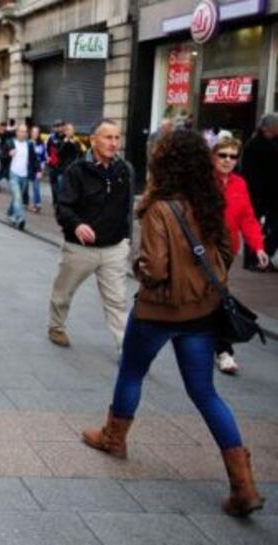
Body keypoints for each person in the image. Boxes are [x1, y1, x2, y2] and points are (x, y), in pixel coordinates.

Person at [82, 128, 265, 519]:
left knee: (131, 372)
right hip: (201, 312)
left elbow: (156, 268)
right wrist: (201, 283)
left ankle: (114, 438)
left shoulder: (158, 207)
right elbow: (228, 249)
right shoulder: (212, 199)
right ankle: (243, 484)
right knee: (204, 392)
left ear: (164, 162)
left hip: (158, 311)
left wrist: (140, 268)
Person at [49, 119, 134, 353]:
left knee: (117, 301)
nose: (114, 143)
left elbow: (127, 209)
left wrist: (127, 240)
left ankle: (125, 349)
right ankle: (56, 325)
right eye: (108, 137)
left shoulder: (124, 170)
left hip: (114, 248)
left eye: (117, 138)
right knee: (63, 293)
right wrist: (76, 225)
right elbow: (63, 207)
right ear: (93, 140)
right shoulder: (76, 170)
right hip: (80, 249)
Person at [212, 137, 269, 374]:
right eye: (222, 155)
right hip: (201, 249)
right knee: (216, 298)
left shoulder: (239, 184)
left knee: (215, 298)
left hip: (227, 251)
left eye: (233, 156)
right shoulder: (202, 182)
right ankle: (224, 351)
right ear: (213, 156)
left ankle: (217, 346)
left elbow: (247, 218)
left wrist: (258, 247)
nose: (227, 160)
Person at [240, 113, 278, 272]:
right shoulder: (255, 145)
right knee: (252, 226)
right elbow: (252, 174)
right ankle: (252, 260)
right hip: (257, 193)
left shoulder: (272, 143)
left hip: (271, 193)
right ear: (270, 127)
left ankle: (264, 255)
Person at [6, 124, 37, 230]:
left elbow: (33, 159)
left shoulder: (29, 144)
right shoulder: (11, 142)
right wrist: (8, 153)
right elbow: (2, 155)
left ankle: (11, 212)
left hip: (24, 176)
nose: (23, 134)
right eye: (21, 131)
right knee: (18, 197)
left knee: (16, 197)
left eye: (25, 132)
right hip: (13, 174)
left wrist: (37, 171)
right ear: (17, 132)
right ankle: (20, 218)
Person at [29, 125, 46, 213]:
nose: (34, 134)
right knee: (25, 187)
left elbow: (43, 158)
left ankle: (37, 204)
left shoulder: (41, 144)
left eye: (36, 132)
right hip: (28, 168)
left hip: (37, 168)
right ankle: (25, 203)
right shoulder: (28, 143)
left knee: (36, 186)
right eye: (33, 132)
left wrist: (41, 170)